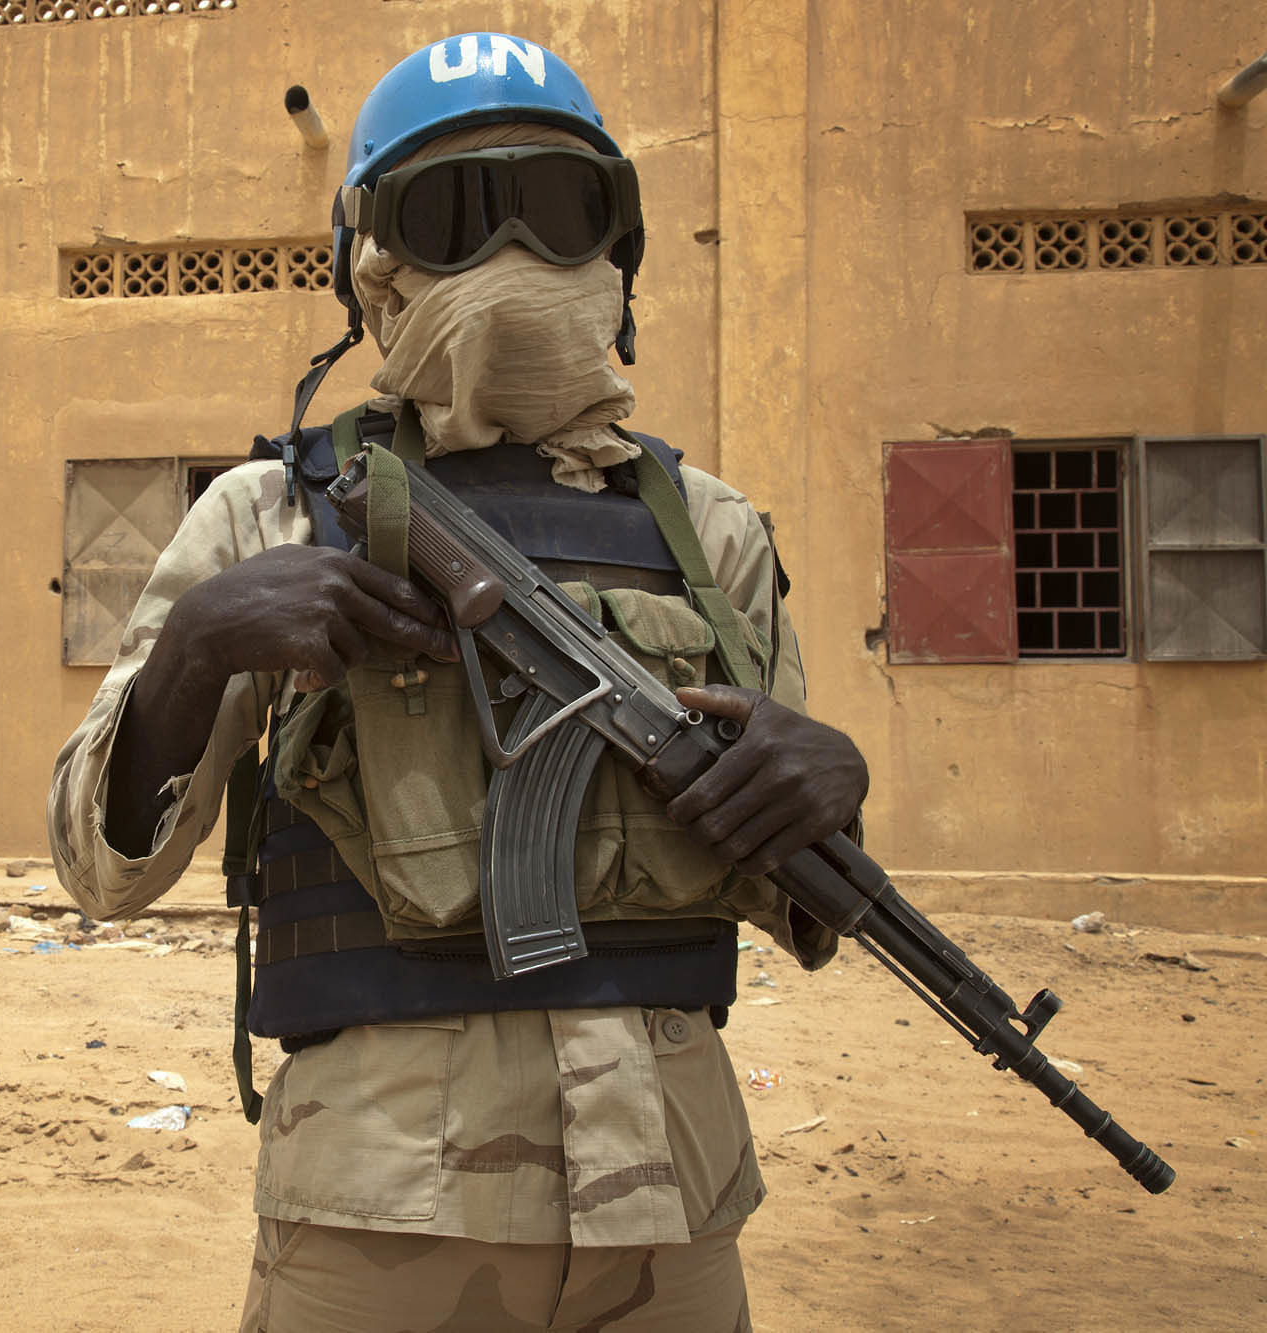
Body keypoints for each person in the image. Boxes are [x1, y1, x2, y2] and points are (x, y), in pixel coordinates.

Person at [49, 32, 868, 1331]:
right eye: (452, 216)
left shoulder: (712, 534)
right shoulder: (272, 512)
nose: (514, 260)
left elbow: (796, 892)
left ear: (620, 246)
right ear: (371, 268)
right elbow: (103, 868)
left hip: (673, 1208)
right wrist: (204, 641)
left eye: (558, 211)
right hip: (379, 1211)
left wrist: (831, 787)